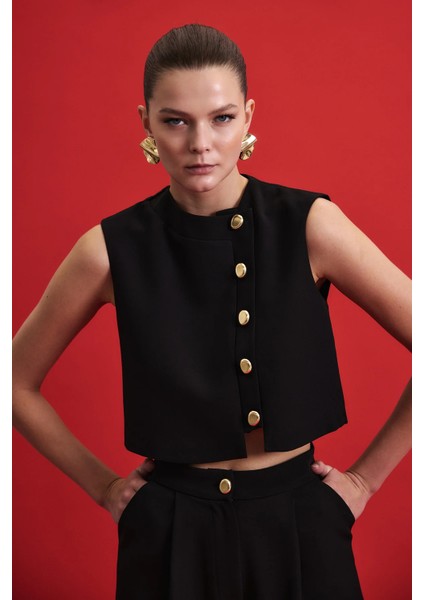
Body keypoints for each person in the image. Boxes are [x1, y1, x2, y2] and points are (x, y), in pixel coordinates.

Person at [12, 24, 411, 600]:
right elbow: (15, 381)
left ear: (248, 117)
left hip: (300, 524)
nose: (201, 143)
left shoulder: (309, 225)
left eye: (221, 118)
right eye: (176, 121)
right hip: (170, 529)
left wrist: (365, 482)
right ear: (146, 122)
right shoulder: (108, 250)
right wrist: (104, 488)